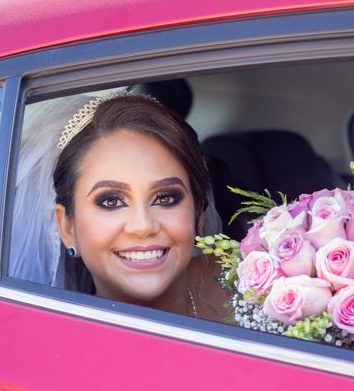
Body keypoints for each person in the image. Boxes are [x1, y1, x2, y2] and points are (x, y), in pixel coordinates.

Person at [51, 91, 228, 321]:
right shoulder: (55, 348)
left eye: (166, 198)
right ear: (67, 228)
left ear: (198, 214)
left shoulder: (254, 290)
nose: (143, 226)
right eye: (111, 201)